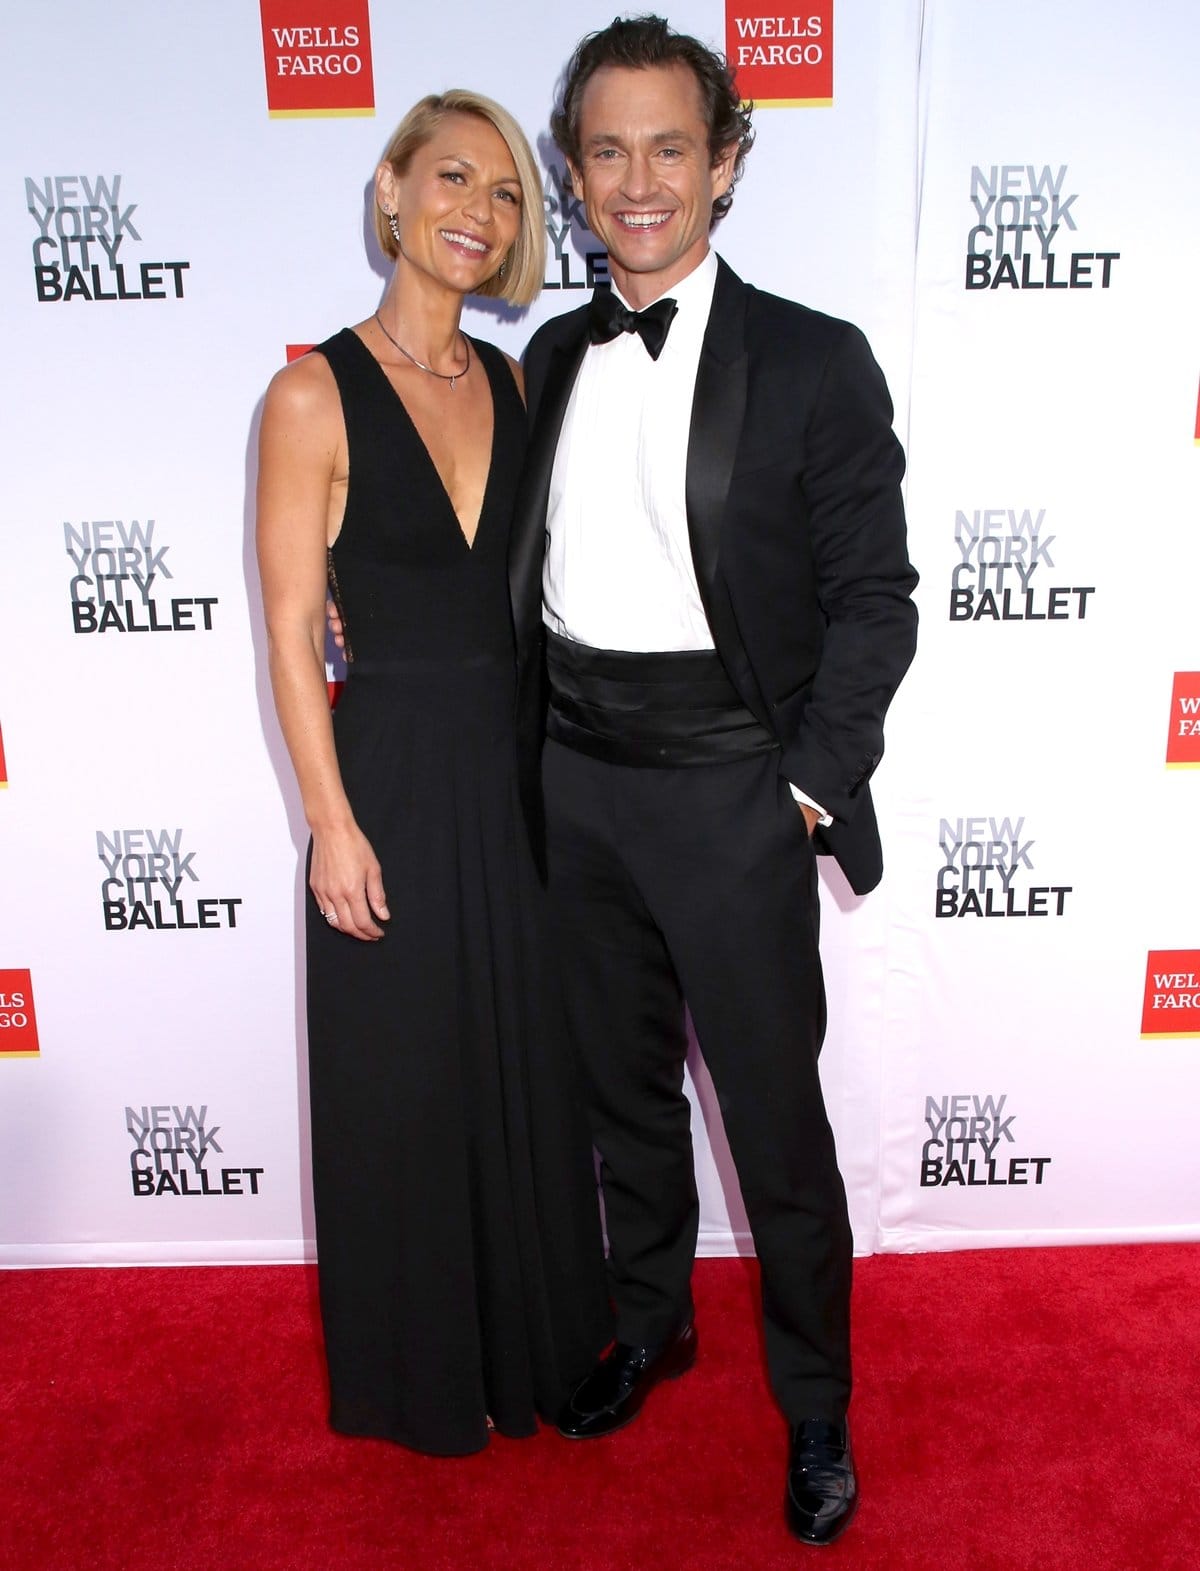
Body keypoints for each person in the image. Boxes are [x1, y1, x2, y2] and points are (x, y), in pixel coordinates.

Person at [509, 17, 919, 1544]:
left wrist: (804, 789)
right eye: (605, 150)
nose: (638, 181)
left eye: (670, 146)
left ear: (727, 161)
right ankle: (652, 1319)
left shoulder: (812, 359)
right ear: (571, 171)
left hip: (735, 787)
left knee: (773, 1125)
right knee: (619, 1097)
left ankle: (816, 1407)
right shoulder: (549, 354)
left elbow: (877, 598)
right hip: (574, 779)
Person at [256, 90, 611, 1457]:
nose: (480, 209)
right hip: (389, 777)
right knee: (400, 1082)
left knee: (520, 1071)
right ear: (394, 190)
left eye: (509, 191)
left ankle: (533, 1347)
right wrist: (326, 824)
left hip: (517, 782)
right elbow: (293, 625)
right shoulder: (308, 392)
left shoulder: (515, 386)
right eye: (453, 177)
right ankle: (417, 1378)